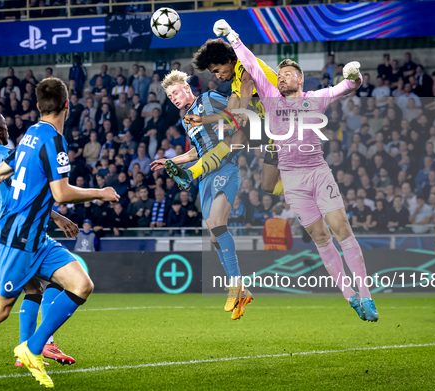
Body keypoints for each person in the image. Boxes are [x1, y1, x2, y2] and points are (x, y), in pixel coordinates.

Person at [0, 78, 119, 391]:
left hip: (36, 238)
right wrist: (101, 192)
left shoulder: (29, 135)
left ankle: (32, 347)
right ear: (67, 106)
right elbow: (62, 193)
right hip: (17, 239)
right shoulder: (53, 141)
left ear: (39, 107)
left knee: (81, 284)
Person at [214, 19, 378, 321]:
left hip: (317, 171)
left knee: (342, 229)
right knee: (320, 237)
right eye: (279, 74)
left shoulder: (316, 99)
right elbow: (249, 61)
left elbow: (348, 86)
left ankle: (366, 296)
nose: (281, 77)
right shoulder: (270, 97)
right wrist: (233, 38)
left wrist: (355, 75)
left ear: (300, 80)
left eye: (287, 74)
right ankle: (350, 296)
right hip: (291, 179)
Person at [0, 110, 79, 368]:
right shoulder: (7, 156)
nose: (8, 130)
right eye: (5, 125)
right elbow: (22, 197)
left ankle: (26, 353)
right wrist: (58, 217)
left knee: (31, 289)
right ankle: (41, 344)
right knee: (56, 282)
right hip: (14, 231)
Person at [151, 70, 252, 320]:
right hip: (205, 176)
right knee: (214, 234)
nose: (173, 98)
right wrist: (171, 160)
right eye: (170, 96)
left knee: (217, 223)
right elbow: (197, 151)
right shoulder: (187, 119)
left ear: (186, 87)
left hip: (226, 166)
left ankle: (236, 283)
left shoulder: (209, 98)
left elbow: (234, 112)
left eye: (175, 92)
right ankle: (242, 291)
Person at [166, 37, 283, 196]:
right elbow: (230, 110)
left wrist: (242, 111)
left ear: (228, 60)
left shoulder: (246, 64)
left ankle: (304, 186)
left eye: (217, 70)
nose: (218, 77)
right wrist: (203, 120)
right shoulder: (235, 82)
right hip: (272, 127)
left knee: (236, 139)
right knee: (268, 186)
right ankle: (189, 174)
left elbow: (248, 83)